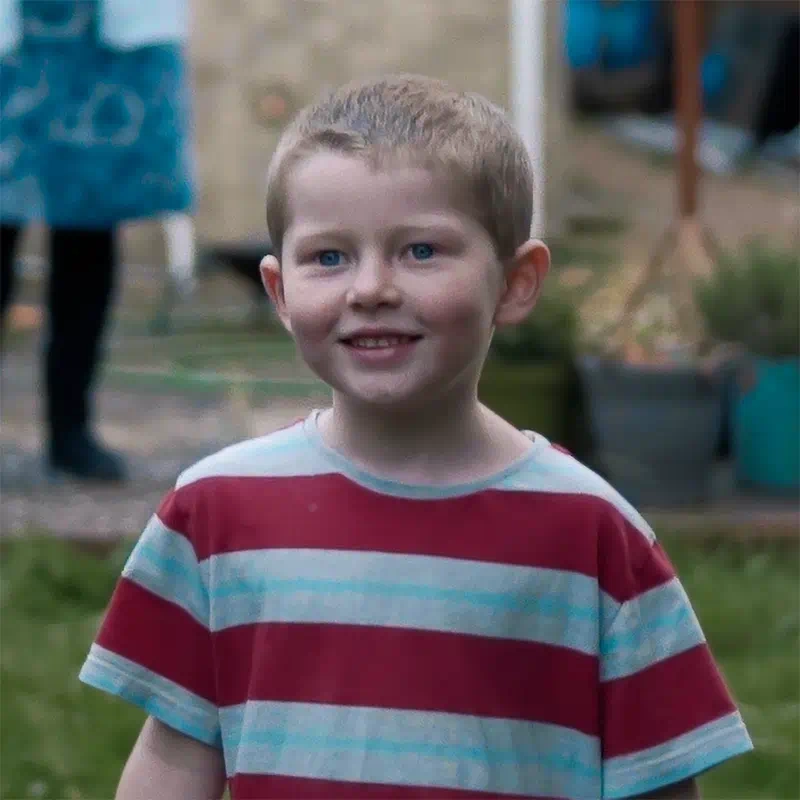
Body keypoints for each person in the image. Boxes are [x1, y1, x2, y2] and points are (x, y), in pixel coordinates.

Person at [79, 75, 753, 799]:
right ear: (279, 292)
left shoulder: (594, 535)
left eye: (422, 251)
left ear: (517, 282)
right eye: (329, 257)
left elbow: (660, 786)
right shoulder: (213, 514)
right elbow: (176, 758)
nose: (370, 288)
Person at [0, 0, 194, 481]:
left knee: (90, 227)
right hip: (15, 43)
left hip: (108, 47)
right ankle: (69, 434)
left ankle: (71, 430)